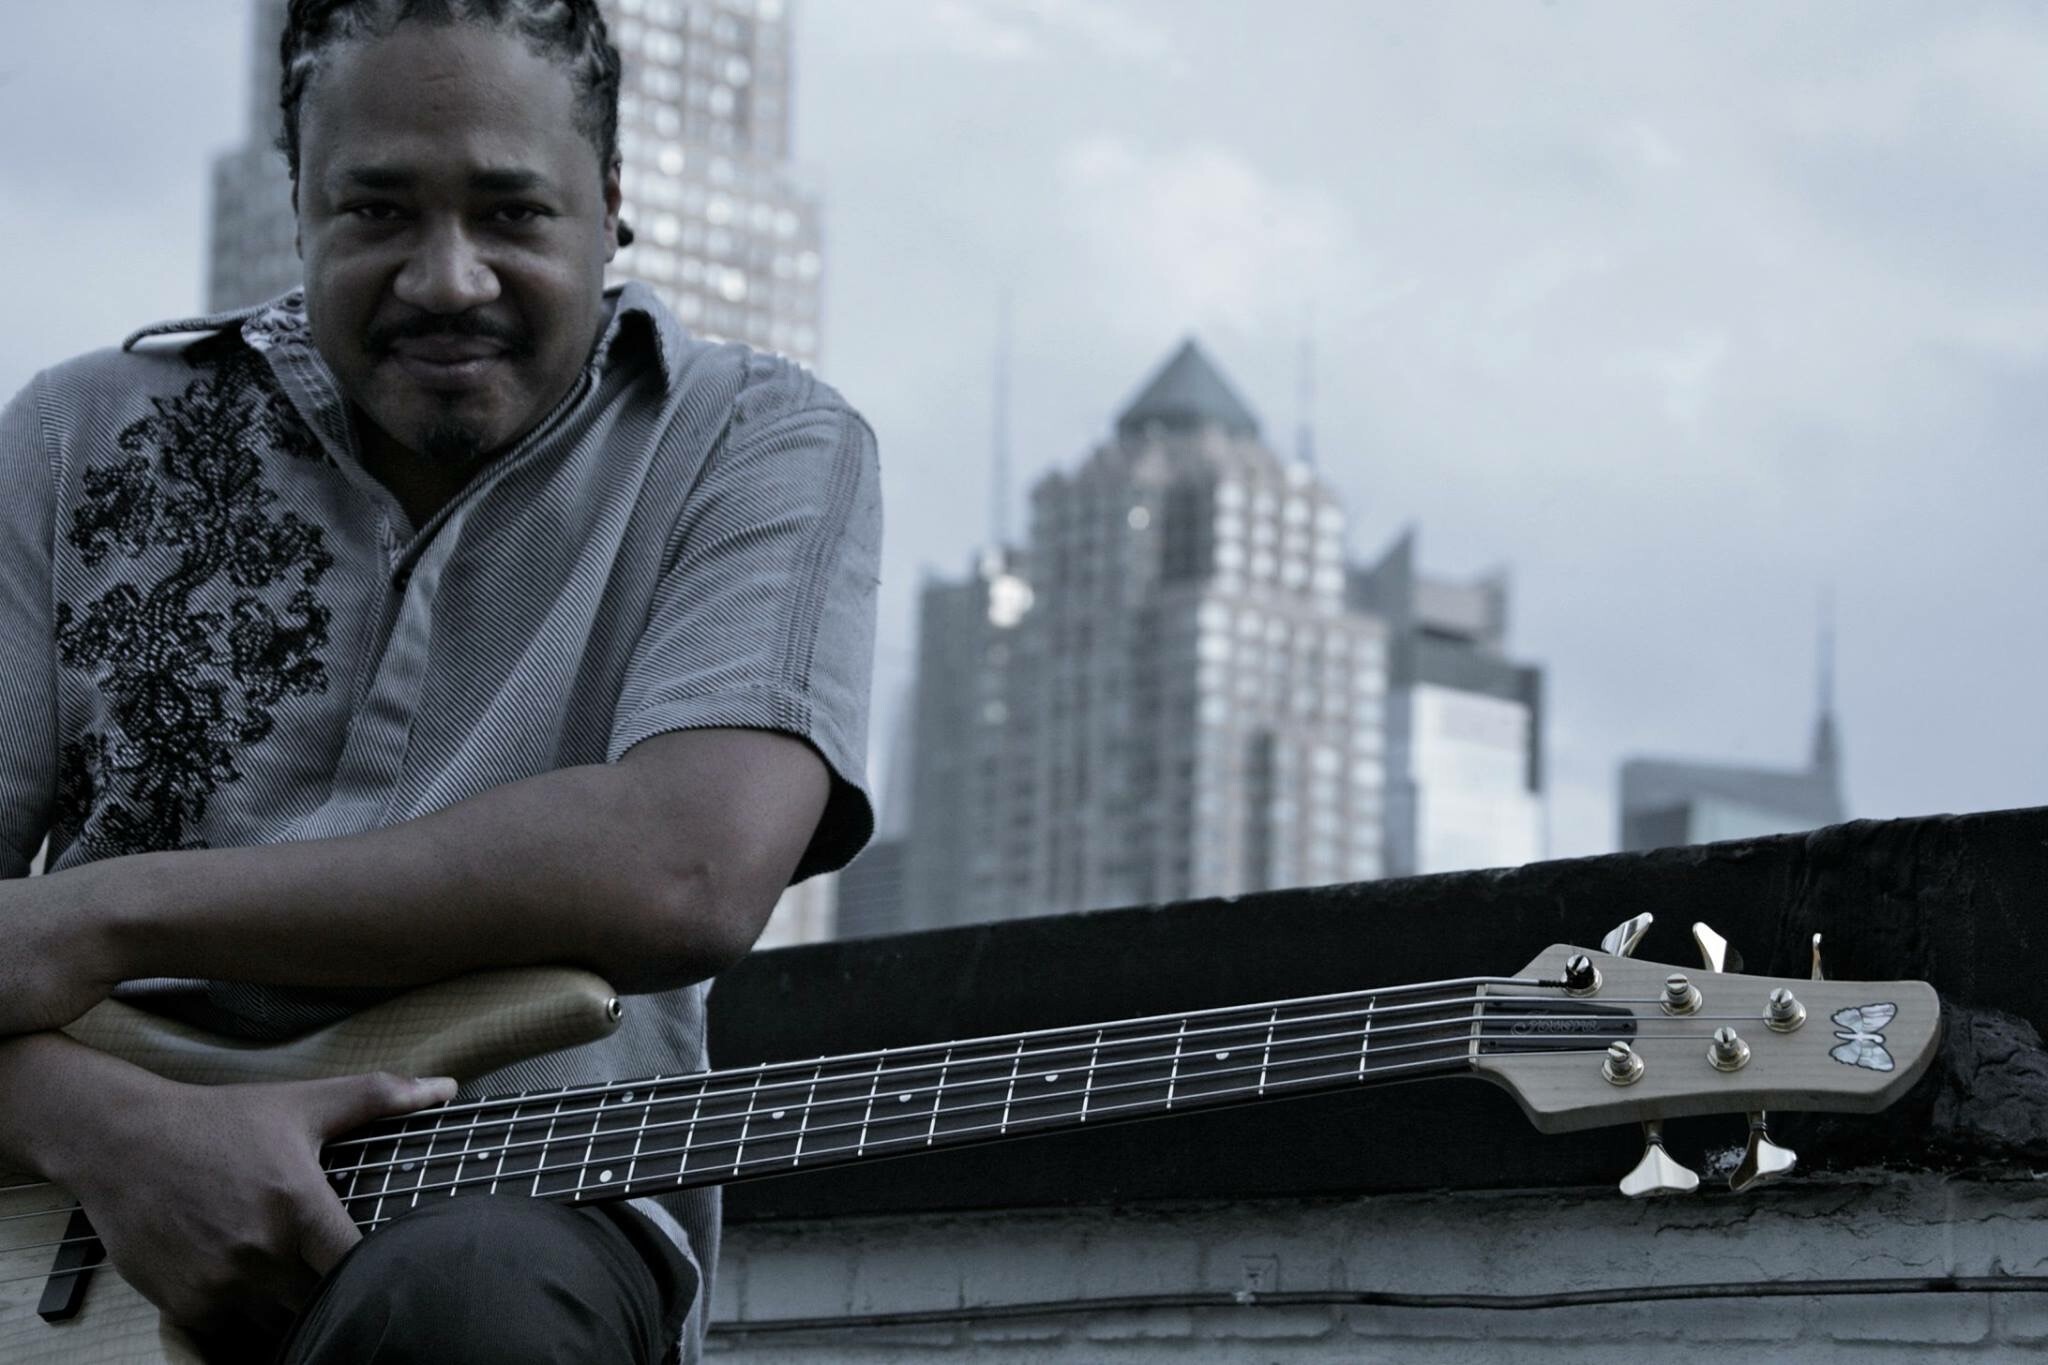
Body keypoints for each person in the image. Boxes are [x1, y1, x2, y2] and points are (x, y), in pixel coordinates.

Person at [0, 1, 879, 1360]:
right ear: (300, 206)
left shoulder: (754, 445)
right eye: (379, 212)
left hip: (514, 1197)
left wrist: (101, 919)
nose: (448, 279)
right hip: (57, 1217)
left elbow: (688, 870)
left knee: (470, 1302)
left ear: (612, 207)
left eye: (512, 214)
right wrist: (105, 1129)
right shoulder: (74, 435)